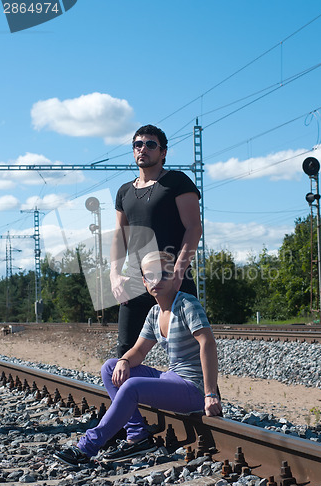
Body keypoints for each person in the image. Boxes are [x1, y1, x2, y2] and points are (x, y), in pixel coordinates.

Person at [54, 251, 222, 466]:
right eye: (150, 276)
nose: (156, 280)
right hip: (173, 378)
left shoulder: (187, 305)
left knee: (132, 386)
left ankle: (86, 447)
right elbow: (139, 352)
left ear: (174, 277)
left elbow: (207, 343)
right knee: (110, 367)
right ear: (144, 281)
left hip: (193, 388)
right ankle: (137, 434)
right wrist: (124, 361)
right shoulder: (154, 313)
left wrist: (210, 394)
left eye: (164, 274)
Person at [110, 124, 202, 357]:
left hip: (174, 279)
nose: (143, 149)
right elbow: (120, 235)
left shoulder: (177, 182)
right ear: (133, 151)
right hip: (136, 281)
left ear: (163, 153)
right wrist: (114, 275)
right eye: (138, 144)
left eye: (151, 144)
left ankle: (208, 395)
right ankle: (128, 395)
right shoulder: (124, 192)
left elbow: (194, 228)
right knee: (125, 351)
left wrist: (179, 271)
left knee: (190, 351)